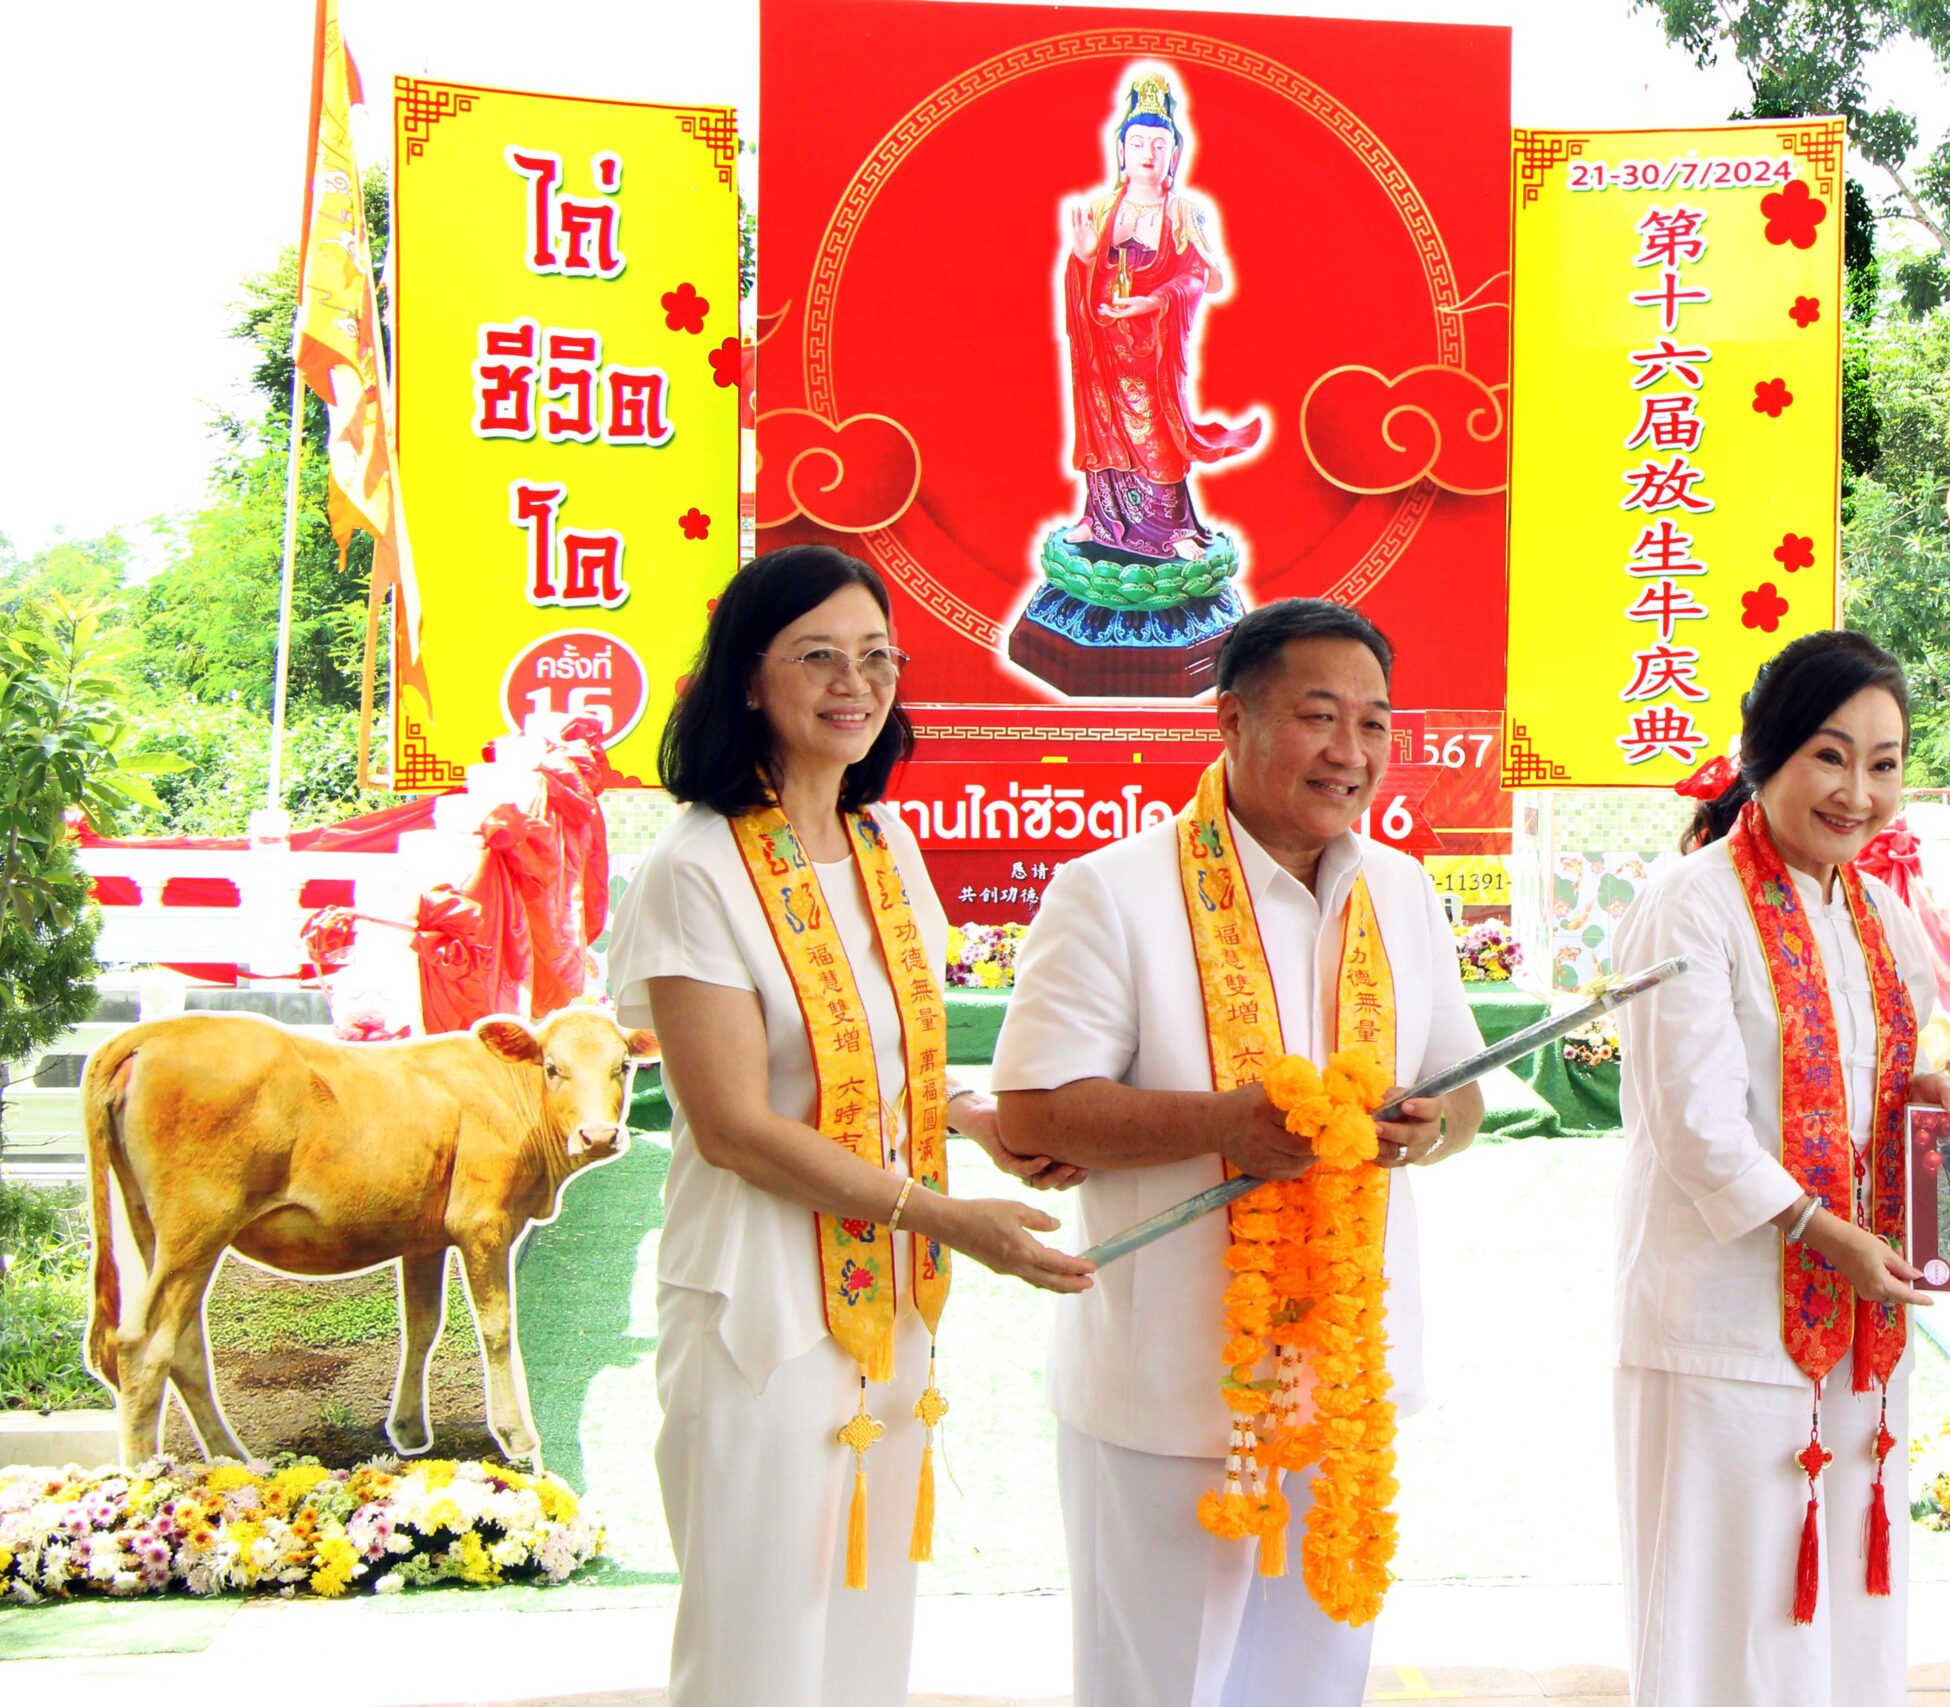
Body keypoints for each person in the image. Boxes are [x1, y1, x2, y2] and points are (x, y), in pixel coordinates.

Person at [607, 545, 1095, 1707]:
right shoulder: (695, 864)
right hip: (759, 1304)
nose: (854, 682)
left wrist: (971, 1116)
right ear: (745, 680)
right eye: (818, 655)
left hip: (885, 1302)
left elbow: (881, 1060)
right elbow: (730, 1124)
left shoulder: (884, 850)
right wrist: (947, 1217)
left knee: (867, 1624)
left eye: (877, 656)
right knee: (759, 1638)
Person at [993, 598, 1486, 1707]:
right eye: (1320, 717)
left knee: (1313, 1684)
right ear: (1231, 720)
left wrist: (1418, 1133)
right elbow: (1032, 1112)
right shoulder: (1111, 890)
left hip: (1345, 1390)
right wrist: (1227, 1125)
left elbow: (1464, 1102)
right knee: (1157, 1686)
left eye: (1374, 723)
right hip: (1167, 1388)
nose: (1349, 753)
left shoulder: (1399, 890)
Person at [1610, 630, 1950, 1707]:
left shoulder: (1878, 913)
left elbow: (1905, 1074)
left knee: (1844, 1637)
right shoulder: (1691, 901)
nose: (1857, 792)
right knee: (1722, 1628)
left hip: (1861, 1337)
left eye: (1883, 762)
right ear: (1762, 754)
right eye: (1830, 755)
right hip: (1720, 1329)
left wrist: (1935, 1104)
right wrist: (1830, 1236)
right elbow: (1698, 1130)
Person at [1059, 66, 1261, 561]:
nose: (1148, 153)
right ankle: (1100, 518)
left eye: (1158, 144)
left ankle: (1172, 528)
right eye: (1138, 143)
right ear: (1122, 151)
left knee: (1156, 432)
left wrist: (1159, 299)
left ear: (1173, 153)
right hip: (1103, 343)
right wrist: (1085, 257)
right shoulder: (1104, 210)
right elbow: (1084, 275)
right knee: (1103, 427)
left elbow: (1206, 278)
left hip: (1153, 348)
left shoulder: (1183, 212)